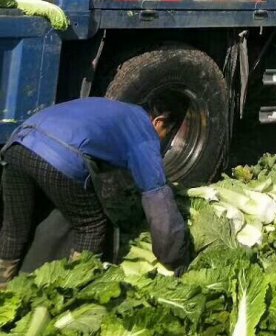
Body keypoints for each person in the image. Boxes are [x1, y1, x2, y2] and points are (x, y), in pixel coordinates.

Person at [0, 96, 192, 285]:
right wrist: (176, 259)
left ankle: (3, 286)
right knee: (91, 226)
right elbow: (159, 203)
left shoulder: (116, 110)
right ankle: (69, 291)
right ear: (159, 122)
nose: (162, 141)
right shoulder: (144, 132)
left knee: (15, 227)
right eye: (166, 133)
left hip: (18, 145)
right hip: (58, 155)